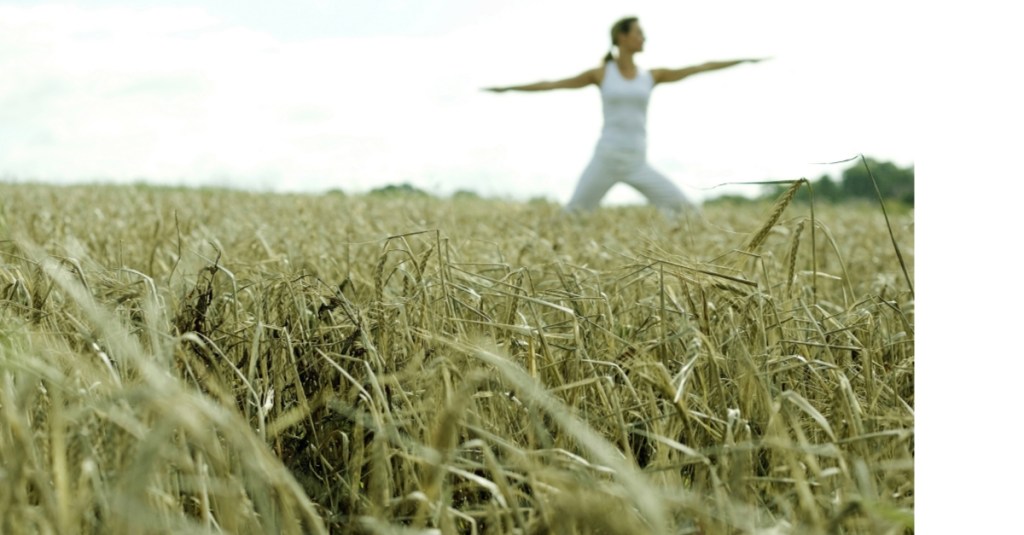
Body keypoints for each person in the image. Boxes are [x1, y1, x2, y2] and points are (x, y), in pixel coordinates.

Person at [485, 16, 766, 214]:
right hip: (606, 157)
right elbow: (552, 84)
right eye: (638, 33)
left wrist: (742, 60)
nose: (644, 38)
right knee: (574, 214)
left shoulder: (651, 76)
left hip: (637, 160)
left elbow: (699, 67)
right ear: (622, 37)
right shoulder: (601, 73)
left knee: (687, 211)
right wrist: (507, 89)